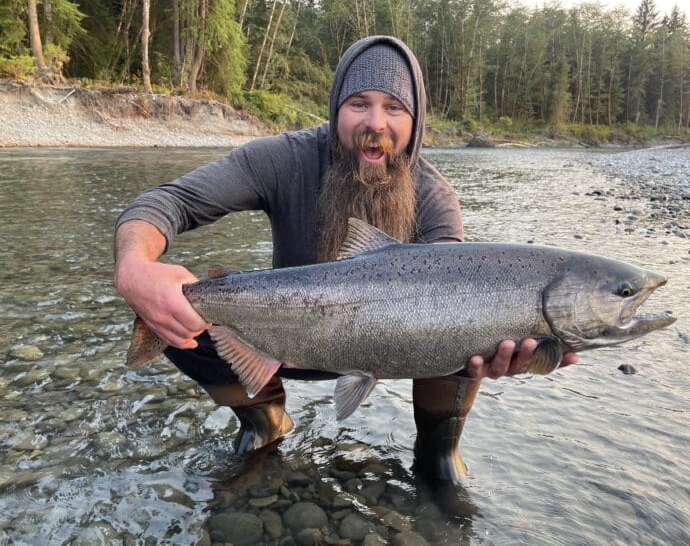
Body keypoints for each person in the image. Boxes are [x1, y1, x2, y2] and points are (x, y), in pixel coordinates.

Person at [113, 35, 578, 492]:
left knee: (466, 335)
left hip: (394, 350)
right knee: (165, 309)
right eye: (359, 103)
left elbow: (462, 317)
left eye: (395, 108)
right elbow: (168, 201)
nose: (376, 123)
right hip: (280, 341)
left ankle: (439, 450)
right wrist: (134, 268)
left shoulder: (435, 199)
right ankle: (266, 420)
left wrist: (518, 350)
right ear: (335, 107)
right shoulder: (280, 159)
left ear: (415, 122)